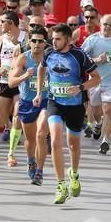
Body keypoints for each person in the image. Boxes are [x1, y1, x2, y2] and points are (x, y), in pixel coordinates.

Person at [33, 23, 101, 204]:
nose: (53, 42)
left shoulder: (79, 55)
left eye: (58, 39)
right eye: (52, 38)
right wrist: (40, 92)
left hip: (75, 105)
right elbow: (41, 68)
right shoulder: (48, 53)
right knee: (55, 141)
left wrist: (80, 87)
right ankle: (60, 185)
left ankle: (74, 173)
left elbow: (96, 79)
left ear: (68, 40)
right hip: (55, 102)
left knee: (73, 145)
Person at [8, 26, 50, 185]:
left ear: (45, 43)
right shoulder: (23, 59)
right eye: (34, 41)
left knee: (41, 134)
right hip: (27, 103)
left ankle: (39, 171)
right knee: (30, 140)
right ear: (29, 42)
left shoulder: (51, 58)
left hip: (46, 101)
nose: (37, 44)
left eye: (40, 41)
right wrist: (25, 75)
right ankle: (31, 160)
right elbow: (11, 82)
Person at [0, 11, 25, 165]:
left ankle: (11, 154)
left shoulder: (26, 38)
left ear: (11, 23)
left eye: (2, 22)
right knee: (0, 121)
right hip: (4, 82)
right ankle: (6, 126)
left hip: (21, 82)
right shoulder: (1, 40)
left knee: (17, 116)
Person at [81, 14, 111, 154]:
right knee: (97, 111)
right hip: (95, 81)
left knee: (108, 110)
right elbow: (82, 57)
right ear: (100, 23)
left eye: (110, 24)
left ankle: (105, 140)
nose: (107, 27)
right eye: (105, 24)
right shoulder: (92, 40)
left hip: (109, 82)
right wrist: (97, 59)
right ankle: (98, 124)